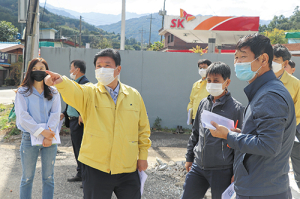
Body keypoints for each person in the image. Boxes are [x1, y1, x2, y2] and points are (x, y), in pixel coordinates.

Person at [44, 48, 151, 199]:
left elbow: (143, 128)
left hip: (127, 166)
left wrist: (143, 156)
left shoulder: (133, 95)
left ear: (118, 69)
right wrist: (60, 81)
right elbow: (74, 91)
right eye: (98, 66)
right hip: (96, 167)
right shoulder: (89, 92)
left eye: (107, 65)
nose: (102, 69)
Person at [209, 33, 295, 199]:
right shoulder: (265, 91)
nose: (237, 63)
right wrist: (241, 134)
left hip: (262, 191)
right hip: (260, 186)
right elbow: (266, 137)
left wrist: (229, 136)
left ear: (263, 60)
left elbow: (269, 145)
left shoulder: (270, 95)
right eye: (235, 57)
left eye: (243, 57)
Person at [182, 62, 244, 199]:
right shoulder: (203, 104)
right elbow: (195, 133)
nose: (211, 84)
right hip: (198, 167)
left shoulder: (237, 109)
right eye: (209, 80)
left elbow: (240, 144)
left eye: (216, 80)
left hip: (222, 170)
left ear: (227, 82)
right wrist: (189, 158)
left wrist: (236, 171)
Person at [15, 58, 61, 199]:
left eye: (42, 68)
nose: (38, 71)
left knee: (48, 177)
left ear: (47, 71)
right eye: (35, 68)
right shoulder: (22, 92)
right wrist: (42, 132)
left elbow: (55, 114)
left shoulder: (53, 92)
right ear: (30, 71)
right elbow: (23, 116)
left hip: (50, 138)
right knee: (27, 178)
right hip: (29, 138)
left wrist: (48, 135)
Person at [272, 44, 300, 189]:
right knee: (271, 166)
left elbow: (298, 111)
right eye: (271, 58)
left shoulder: (295, 84)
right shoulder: (262, 80)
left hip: (291, 132)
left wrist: (285, 128)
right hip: (269, 132)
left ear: (285, 63)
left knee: (297, 165)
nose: (272, 62)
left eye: (276, 59)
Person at [60, 60, 90, 186]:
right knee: (77, 149)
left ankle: (87, 178)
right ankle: (80, 173)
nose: (70, 71)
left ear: (77, 70)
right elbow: (71, 102)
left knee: (83, 150)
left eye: (71, 68)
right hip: (72, 120)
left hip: (80, 122)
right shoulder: (74, 83)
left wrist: (83, 114)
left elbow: (88, 103)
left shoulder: (86, 84)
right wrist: (64, 113)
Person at [187, 59, 211, 125]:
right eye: (200, 68)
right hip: (195, 117)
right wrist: (190, 114)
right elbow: (191, 100)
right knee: (195, 135)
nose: (202, 69)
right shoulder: (196, 84)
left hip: (207, 117)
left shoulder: (212, 84)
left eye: (204, 67)